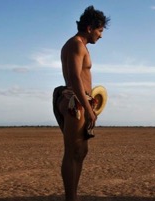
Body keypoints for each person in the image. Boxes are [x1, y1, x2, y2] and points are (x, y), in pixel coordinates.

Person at [52, 5, 110, 201]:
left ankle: (73, 196)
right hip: (75, 101)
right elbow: (76, 78)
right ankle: (71, 198)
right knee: (72, 152)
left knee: (81, 151)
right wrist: (88, 108)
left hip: (79, 99)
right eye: (100, 30)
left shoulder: (78, 45)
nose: (101, 36)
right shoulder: (76, 45)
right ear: (89, 28)